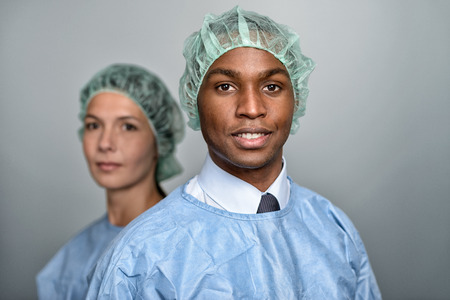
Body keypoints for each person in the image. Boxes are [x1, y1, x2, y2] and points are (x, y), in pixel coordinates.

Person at [86, 7, 381, 299]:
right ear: (194, 99)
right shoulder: (140, 256)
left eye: (272, 86)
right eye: (225, 86)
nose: (251, 108)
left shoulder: (334, 229)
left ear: (297, 97)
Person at [36, 64, 185, 299]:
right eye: (94, 125)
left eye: (128, 127)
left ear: (159, 142)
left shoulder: (186, 244)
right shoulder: (71, 259)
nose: (105, 143)